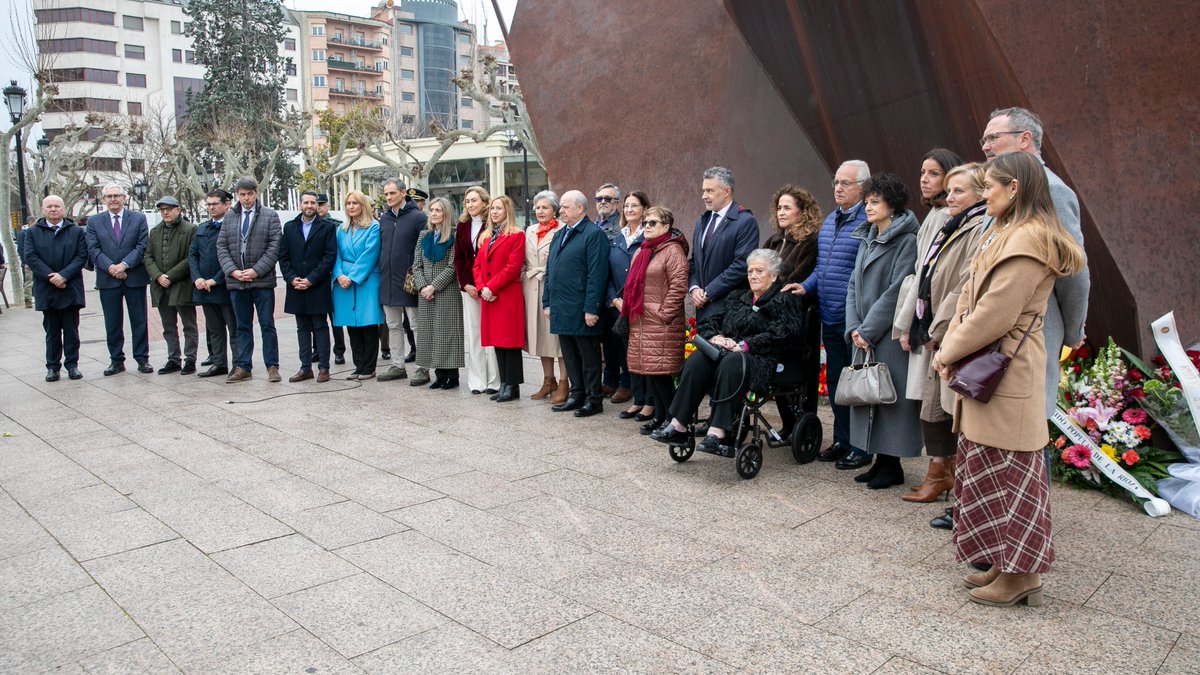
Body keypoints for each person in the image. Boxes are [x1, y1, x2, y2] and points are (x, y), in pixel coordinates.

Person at [934, 152, 1086, 607]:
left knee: (1012, 478)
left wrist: (949, 350)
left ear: (1015, 188)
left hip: (1007, 372)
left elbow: (995, 313)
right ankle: (1004, 564)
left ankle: (1022, 578)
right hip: (992, 369)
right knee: (990, 471)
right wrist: (954, 342)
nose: (985, 194)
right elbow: (969, 294)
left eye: (991, 187)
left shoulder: (1030, 240)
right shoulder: (1007, 231)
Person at [980, 108, 1090, 422]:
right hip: (995, 330)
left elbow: (1073, 270)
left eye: (993, 138)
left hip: (1032, 333)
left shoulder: (1050, 190)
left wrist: (1072, 333)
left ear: (1025, 139)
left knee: (1025, 428)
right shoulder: (1003, 188)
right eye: (984, 139)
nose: (986, 146)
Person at [652, 249, 805, 452]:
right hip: (729, 355)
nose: (753, 276)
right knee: (698, 359)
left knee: (734, 360)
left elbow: (786, 333)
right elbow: (710, 321)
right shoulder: (738, 296)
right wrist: (717, 337)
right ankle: (678, 425)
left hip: (763, 359)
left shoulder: (785, 299)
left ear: (774, 275)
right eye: (750, 271)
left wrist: (745, 345)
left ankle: (718, 432)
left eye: (759, 271)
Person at [900, 163, 989, 503]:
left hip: (952, 330)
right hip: (935, 325)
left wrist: (938, 329)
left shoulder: (979, 227)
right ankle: (941, 472)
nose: (949, 196)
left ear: (980, 193)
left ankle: (949, 478)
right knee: (933, 407)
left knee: (946, 409)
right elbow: (930, 274)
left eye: (958, 191)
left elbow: (965, 284)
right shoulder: (955, 223)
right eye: (949, 190)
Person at [784, 160, 870, 469]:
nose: (838, 188)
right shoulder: (832, 220)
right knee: (836, 382)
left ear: (862, 188)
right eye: (836, 182)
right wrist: (805, 287)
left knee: (857, 385)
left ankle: (861, 447)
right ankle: (842, 440)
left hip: (854, 320)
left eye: (845, 183)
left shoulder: (868, 221)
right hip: (829, 316)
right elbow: (823, 269)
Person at [843, 173, 921, 489]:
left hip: (886, 334)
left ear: (892, 204)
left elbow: (896, 292)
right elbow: (852, 284)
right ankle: (879, 460)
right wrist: (853, 327)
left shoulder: (907, 240)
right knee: (867, 396)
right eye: (866, 202)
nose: (868, 208)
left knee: (889, 397)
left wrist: (869, 329)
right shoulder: (869, 235)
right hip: (864, 332)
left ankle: (892, 464)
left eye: (875, 202)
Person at [623, 206, 689, 435]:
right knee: (651, 372)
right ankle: (660, 416)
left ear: (666, 226)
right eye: (645, 223)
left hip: (661, 322)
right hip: (643, 321)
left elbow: (679, 286)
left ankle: (672, 420)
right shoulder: (645, 250)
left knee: (662, 375)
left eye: (653, 223)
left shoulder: (672, 250)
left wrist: (664, 314)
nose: (647, 227)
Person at [544, 190, 609, 417]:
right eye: (560, 207)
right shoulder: (559, 234)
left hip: (582, 308)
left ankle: (594, 399)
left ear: (580, 209)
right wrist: (547, 302)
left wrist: (592, 308)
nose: (560, 211)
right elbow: (550, 270)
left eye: (565, 207)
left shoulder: (593, 234)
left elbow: (597, 274)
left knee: (589, 358)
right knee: (569, 355)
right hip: (561, 307)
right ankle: (577, 393)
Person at [763, 185, 823, 433]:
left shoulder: (810, 243)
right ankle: (788, 424)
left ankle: (802, 425)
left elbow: (794, 279)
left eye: (787, 207)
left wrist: (766, 296)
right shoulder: (774, 241)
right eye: (779, 207)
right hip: (769, 313)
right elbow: (758, 272)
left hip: (795, 318)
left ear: (803, 212)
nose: (781, 212)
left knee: (797, 374)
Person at [217, 177, 283, 383]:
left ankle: (272, 366)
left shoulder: (270, 216)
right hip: (237, 282)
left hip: (261, 282)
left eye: (250, 194)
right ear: (237, 195)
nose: (246, 198)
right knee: (242, 326)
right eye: (242, 194)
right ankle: (244, 366)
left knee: (267, 324)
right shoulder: (229, 218)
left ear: (256, 194)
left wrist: (256, 271)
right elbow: (222, 247)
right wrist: (232, 271)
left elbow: (274, 247)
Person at [85, 183, 153, 376]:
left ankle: (142, 359)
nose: (113, 199)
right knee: (112, 322)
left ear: (124, 197)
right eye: (109, 196)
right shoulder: (94, 222)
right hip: (108, 279)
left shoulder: (138, 218)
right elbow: (93, 249)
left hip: (134, 277)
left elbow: (142, 245)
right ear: (103, 199)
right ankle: (116, 360)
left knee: (139, 320)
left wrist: (124, 265)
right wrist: (112, 268)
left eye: (117, 195)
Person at [23, 195, 88, 381]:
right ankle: (53, 367)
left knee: (71, 330)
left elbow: (81, 256)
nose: (53, 209)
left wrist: (64, 275)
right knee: (51, 331)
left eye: (57, 206)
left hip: (70, 287)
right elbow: (31, 257)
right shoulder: (33, 233)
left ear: (64, 209)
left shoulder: (75, 231)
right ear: (43, 210)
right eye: (49, 206)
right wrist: (52, 277)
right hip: (47, 288)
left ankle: (72, 365)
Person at [688, 166, 760, 321]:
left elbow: (742, 265)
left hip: (729, 310)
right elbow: (694, 261)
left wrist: (708, 292)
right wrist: (694, 289)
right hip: (702, 309)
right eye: (703, 190)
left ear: (727, 191)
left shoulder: (745, 221)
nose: (704, 196)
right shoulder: (702, 221)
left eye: (709, 191)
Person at [279, 190, 337, 383]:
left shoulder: (327, 228)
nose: (310, 206)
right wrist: (291, 278)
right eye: (306, 202)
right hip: (295, 286)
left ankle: (323, 368)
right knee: (302, 328)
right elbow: (283, 256)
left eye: (313, 203)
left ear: (318, 206)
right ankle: (305, 368)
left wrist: (311, 279)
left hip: (317, 285)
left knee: (320, 327)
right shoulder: (289, 227)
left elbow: (329, 257)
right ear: (301, 205)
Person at [474, 196, 527, 402]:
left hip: (506, 295)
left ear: (508, 211)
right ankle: (504, 383)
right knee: (497, 341)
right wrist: (482, 288)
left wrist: (491, 287)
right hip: (489, 296)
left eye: (499, 208)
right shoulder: (486, 236)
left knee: (509, 342)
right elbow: (477, 266)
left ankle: (512, 385)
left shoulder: (516, 235)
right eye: (493, 208)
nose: (494, 212)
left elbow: (513, 268)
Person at [377, 179, 429, 385]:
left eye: (392, 193)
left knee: (416, 325)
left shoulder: (418, 217)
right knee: (393, 325)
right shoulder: (384, 219)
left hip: (410, 281)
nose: (388, 197)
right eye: (386, 194)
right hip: (388, 280)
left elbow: (423, 250)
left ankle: (422, 368)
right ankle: (398, 366)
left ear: (403, 193)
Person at [606, 190, 651, 416]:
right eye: (626, 206)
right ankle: (638, 397)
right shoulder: (617, 237)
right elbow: (608, 274)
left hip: (641, 306)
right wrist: (614, 299)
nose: (630, 210)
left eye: (634, 205)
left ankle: (647, 401)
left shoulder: (649, 237)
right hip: (619, 306)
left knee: (643, 354)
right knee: (627, 354)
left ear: (644, 209)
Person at [522, 190, 569, 403]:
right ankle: (547, 380)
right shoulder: (529, 230)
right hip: (532, 287)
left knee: (557, 338)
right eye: (537, 207)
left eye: (545, 207)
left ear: (555, 210)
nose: (540, 211)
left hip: (554, 286)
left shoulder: (562, 229)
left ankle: (564, 382)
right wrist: (525, 275)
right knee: (540, 335)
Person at [332, 190, 384, 380]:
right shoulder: (341, 229)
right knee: (351, 324)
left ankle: (369, 367)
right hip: (343, 280)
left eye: (355, 203)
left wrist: (352, 277)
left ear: (362, 205)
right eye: (348, 203)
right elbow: (335, 254)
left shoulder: (373, 227)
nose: (351, 206)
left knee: (367, 323)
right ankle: (358, 365)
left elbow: (371, 254)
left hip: (366, 280)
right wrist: (339, 275)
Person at [413, 197, 464, 389]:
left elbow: (453, 266)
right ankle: (439, 375)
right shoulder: (424, 235)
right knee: (429, 333)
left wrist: (434, 286)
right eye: (431, 210)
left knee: (447, 333)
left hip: (446, 292)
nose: (433, 213)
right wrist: (423, 286)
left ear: (447, 213)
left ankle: (452, 375)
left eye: (438, 210)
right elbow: (416, 265)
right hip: (425, 292)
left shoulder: (454, 234)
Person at [454, 185, 501, 395]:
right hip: (469, 288)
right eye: (467, 201)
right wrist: (466, 284)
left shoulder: (493, 223)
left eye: (474, 200)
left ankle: (494, 381)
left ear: (484, 201)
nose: (470, 204)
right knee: (474, 334)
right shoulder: (463, 225)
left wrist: (484, 286)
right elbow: (459, 258)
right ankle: (477, 381)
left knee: (491, 334)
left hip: (489, 287)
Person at [145, 197, 199, 375]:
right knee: (168, 326)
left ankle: (190, 359)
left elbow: (191, 256)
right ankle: (173, 359)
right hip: (161, 287)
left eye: (169, 209)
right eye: (162, 210)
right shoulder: (155, 231)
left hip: (182, 285)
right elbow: (148, 256)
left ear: (178, 210)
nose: (165, 212)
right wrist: (158, 276)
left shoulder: (190, 229)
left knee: (189, 325)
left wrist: (171, 275)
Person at [189, 190, 238, 378]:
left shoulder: (233, 227)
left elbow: (232, 258)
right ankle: (219, 364)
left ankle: (238, 364)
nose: (211, 208)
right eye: (208, 204)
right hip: (205, 288)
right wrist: (197, 278)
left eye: (215, 204)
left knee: (234, 328)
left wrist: (216, 280)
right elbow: (193, 254)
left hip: (226, 287)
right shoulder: (202, 228)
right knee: (215, 329)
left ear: (227, 204)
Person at [594, 182, 625, 400]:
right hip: (599, 291)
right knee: (607, 341)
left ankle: (626, 383)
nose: (603, 203)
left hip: (616, 290)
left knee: (620, 341)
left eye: (608, 199)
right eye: (599, 199)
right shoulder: (594, 225)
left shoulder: (621, 225)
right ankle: (610, 380)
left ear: (618, 202)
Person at [317, 193, 347, 365]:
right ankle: (317, 350)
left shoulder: (337, 226)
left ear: (327, 206)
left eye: (322, 204)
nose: (319, 207)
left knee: (336, 317)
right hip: (318, 277)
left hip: (333, 275)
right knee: (317, 317)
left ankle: (339, 351)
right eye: (317, 204)